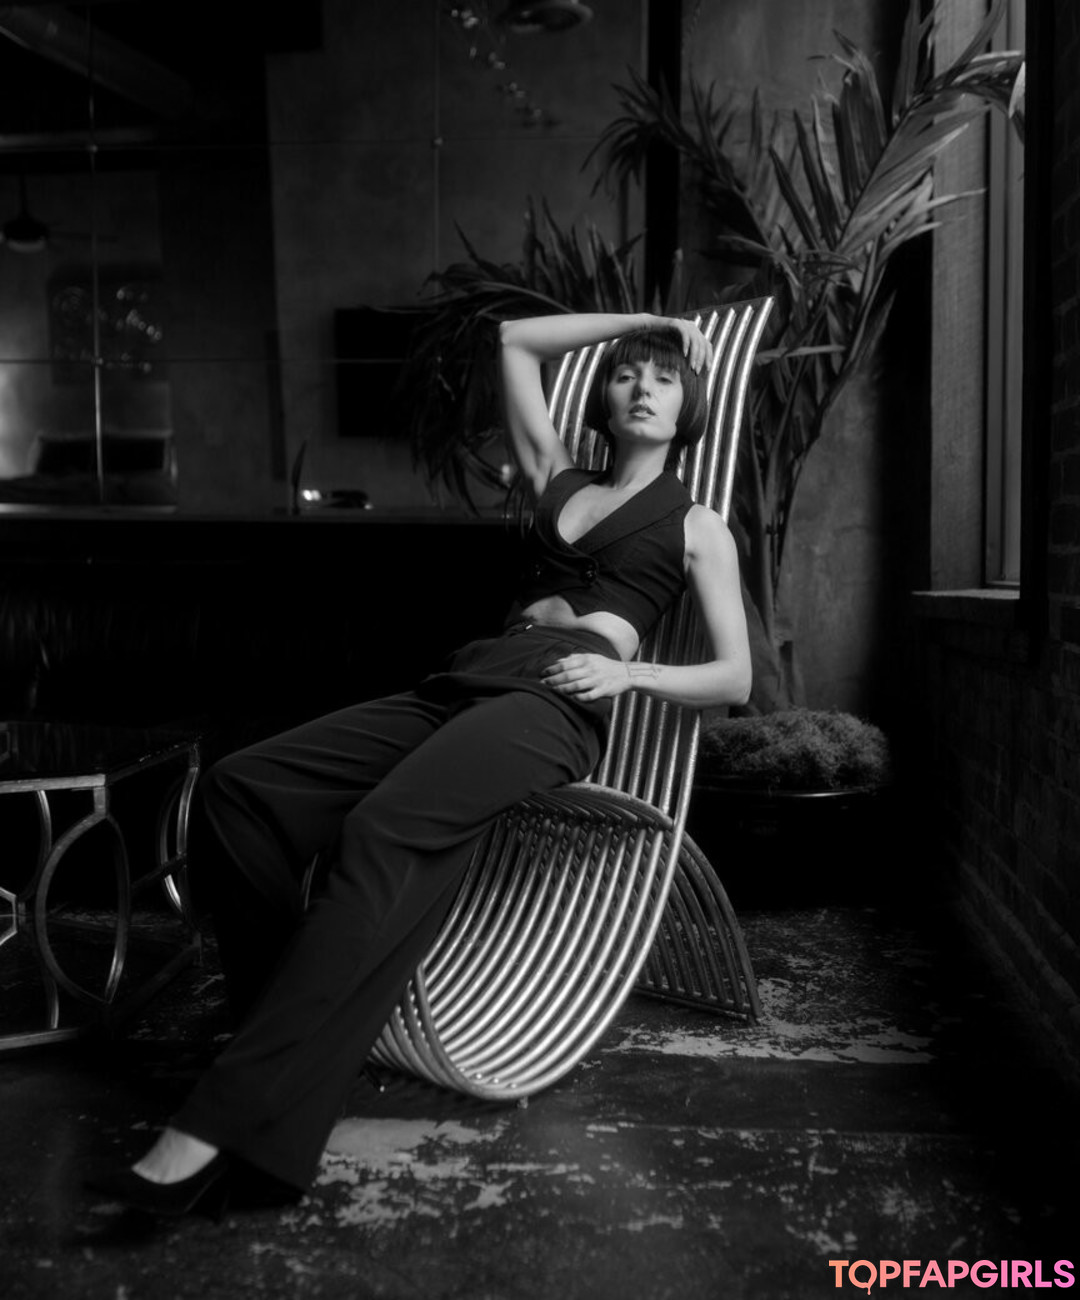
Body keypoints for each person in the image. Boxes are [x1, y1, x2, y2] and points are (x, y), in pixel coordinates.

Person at [87, 311, 752, 1217]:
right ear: (604, 397)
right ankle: (281, 1077)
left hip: (555, 703)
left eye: (666, 378)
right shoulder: (559, 478)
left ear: (689, 408)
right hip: (469, 677)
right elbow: (515, 341)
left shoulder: (698, 526)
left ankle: (219, 1122)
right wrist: (651, 322)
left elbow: (735, 679)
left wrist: (627, 673)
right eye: (629, 373)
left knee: (380, 831)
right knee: (242, 791)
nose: (644, 388)